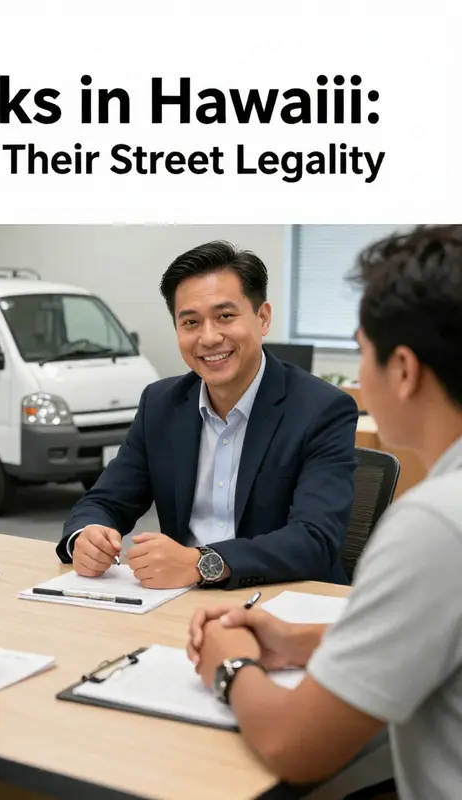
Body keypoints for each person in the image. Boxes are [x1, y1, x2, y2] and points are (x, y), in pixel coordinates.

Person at [186, 224, 462, 800]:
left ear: (404, 370)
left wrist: (231, 666)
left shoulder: (436, 524)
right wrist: (305, 642)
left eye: (362, 352)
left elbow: (295, 744)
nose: (359, 376)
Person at [57, 240, 358, 590]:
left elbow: (314, 539)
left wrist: (203, 562)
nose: (209, 337)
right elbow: (106, 500)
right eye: (190, 322)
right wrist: (86, 535)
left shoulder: (321, 409)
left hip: (281, 601)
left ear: (262, 319)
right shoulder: (161, 404)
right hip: (179, 600)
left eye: (225, 316)